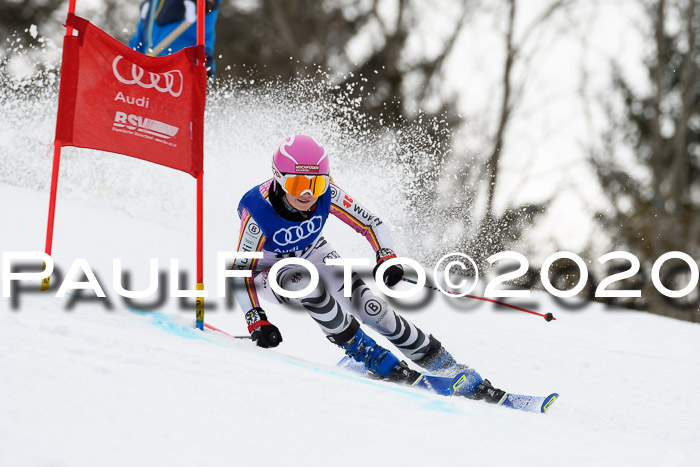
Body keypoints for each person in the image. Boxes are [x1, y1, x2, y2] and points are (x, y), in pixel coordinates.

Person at [232, 134, 506, 403]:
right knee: (304, 280)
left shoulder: (329, 194)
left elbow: (371, 223)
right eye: (298, 184)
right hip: (269, 272)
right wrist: (256, 319)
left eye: (315, 185)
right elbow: (240, 269)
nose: (307, 194)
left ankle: (441, 362)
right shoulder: (258, 211)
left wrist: (385, 256)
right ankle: (362, 350)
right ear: (279, 178)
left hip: (314, 252)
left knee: (371, 306)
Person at [129, 0, 220, 76]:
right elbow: (138, 41)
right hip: (152, 73)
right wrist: (128, 63)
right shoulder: (150, 5)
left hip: (188, 66)